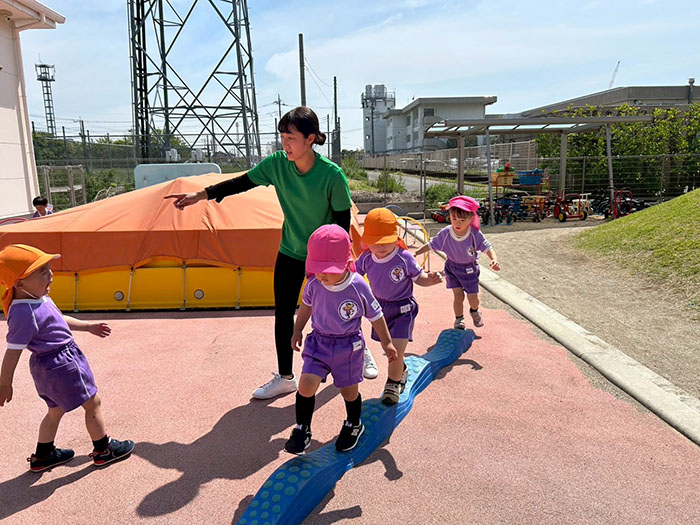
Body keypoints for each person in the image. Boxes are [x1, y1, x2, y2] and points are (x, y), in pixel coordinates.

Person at [165, 107, 379, 400]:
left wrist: (341, 264)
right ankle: (285, 376)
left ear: (310, 139)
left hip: (328, 257)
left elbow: (342, 226)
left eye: (291, 137)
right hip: (291, 250)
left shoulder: (332, 175)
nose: (285, 143)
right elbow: (242, 182)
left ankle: (360, 350)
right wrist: (201, 195)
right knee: (283, 313)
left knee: (340, 308)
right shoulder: (278, 164)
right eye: (282, 137)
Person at [0, 244, 134, 472]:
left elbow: (59, 319)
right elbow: (13, 350)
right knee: (93, 402)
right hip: (63, 363)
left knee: (55, 410)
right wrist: (5, 383)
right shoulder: (24, 313)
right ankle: (103, 449)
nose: (51, 275)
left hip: (45, 366)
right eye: (42, 272)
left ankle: (43, 456)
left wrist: (87, 326)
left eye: (49, 269)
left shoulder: (36, 298)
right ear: (20, 283)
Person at [284, 224, 398, 455]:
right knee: (306, 385)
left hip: (348, 346)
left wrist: (387, 342)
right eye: (317, 268)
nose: (322, 274)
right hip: (319, 342)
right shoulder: (314, 284)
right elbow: (306, 307)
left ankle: (354, 423)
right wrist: (297, 330)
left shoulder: (357, 286)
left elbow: (376, 315)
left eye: (328, 269)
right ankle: (302, 428)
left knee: (348, 391)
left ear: (346, 263)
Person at [355, 208, 442, 404]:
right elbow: (354, 276)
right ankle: (401, 370)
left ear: (395, 238)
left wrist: (430, 280)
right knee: (389, 350)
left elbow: (419, 278)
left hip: (403, 310)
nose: (381, 247)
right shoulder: (366, 258)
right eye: (376, 242)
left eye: (386, 241)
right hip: (379, 311)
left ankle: (392, 385)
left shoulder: (403, 257)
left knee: (395, 351)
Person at [415, 196, 500, 328]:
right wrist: (416, 252)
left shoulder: (474, 234)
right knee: (458, 296)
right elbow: (431, 244)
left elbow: (487, 247)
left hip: (470, 269)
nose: (457, 223)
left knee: (473, 298)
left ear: (471, 218)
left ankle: (474, 310)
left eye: (462, 220)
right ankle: (459, 319)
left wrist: (494, 259)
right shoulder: (446, 233)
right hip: (452, 268)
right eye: (454, 219)